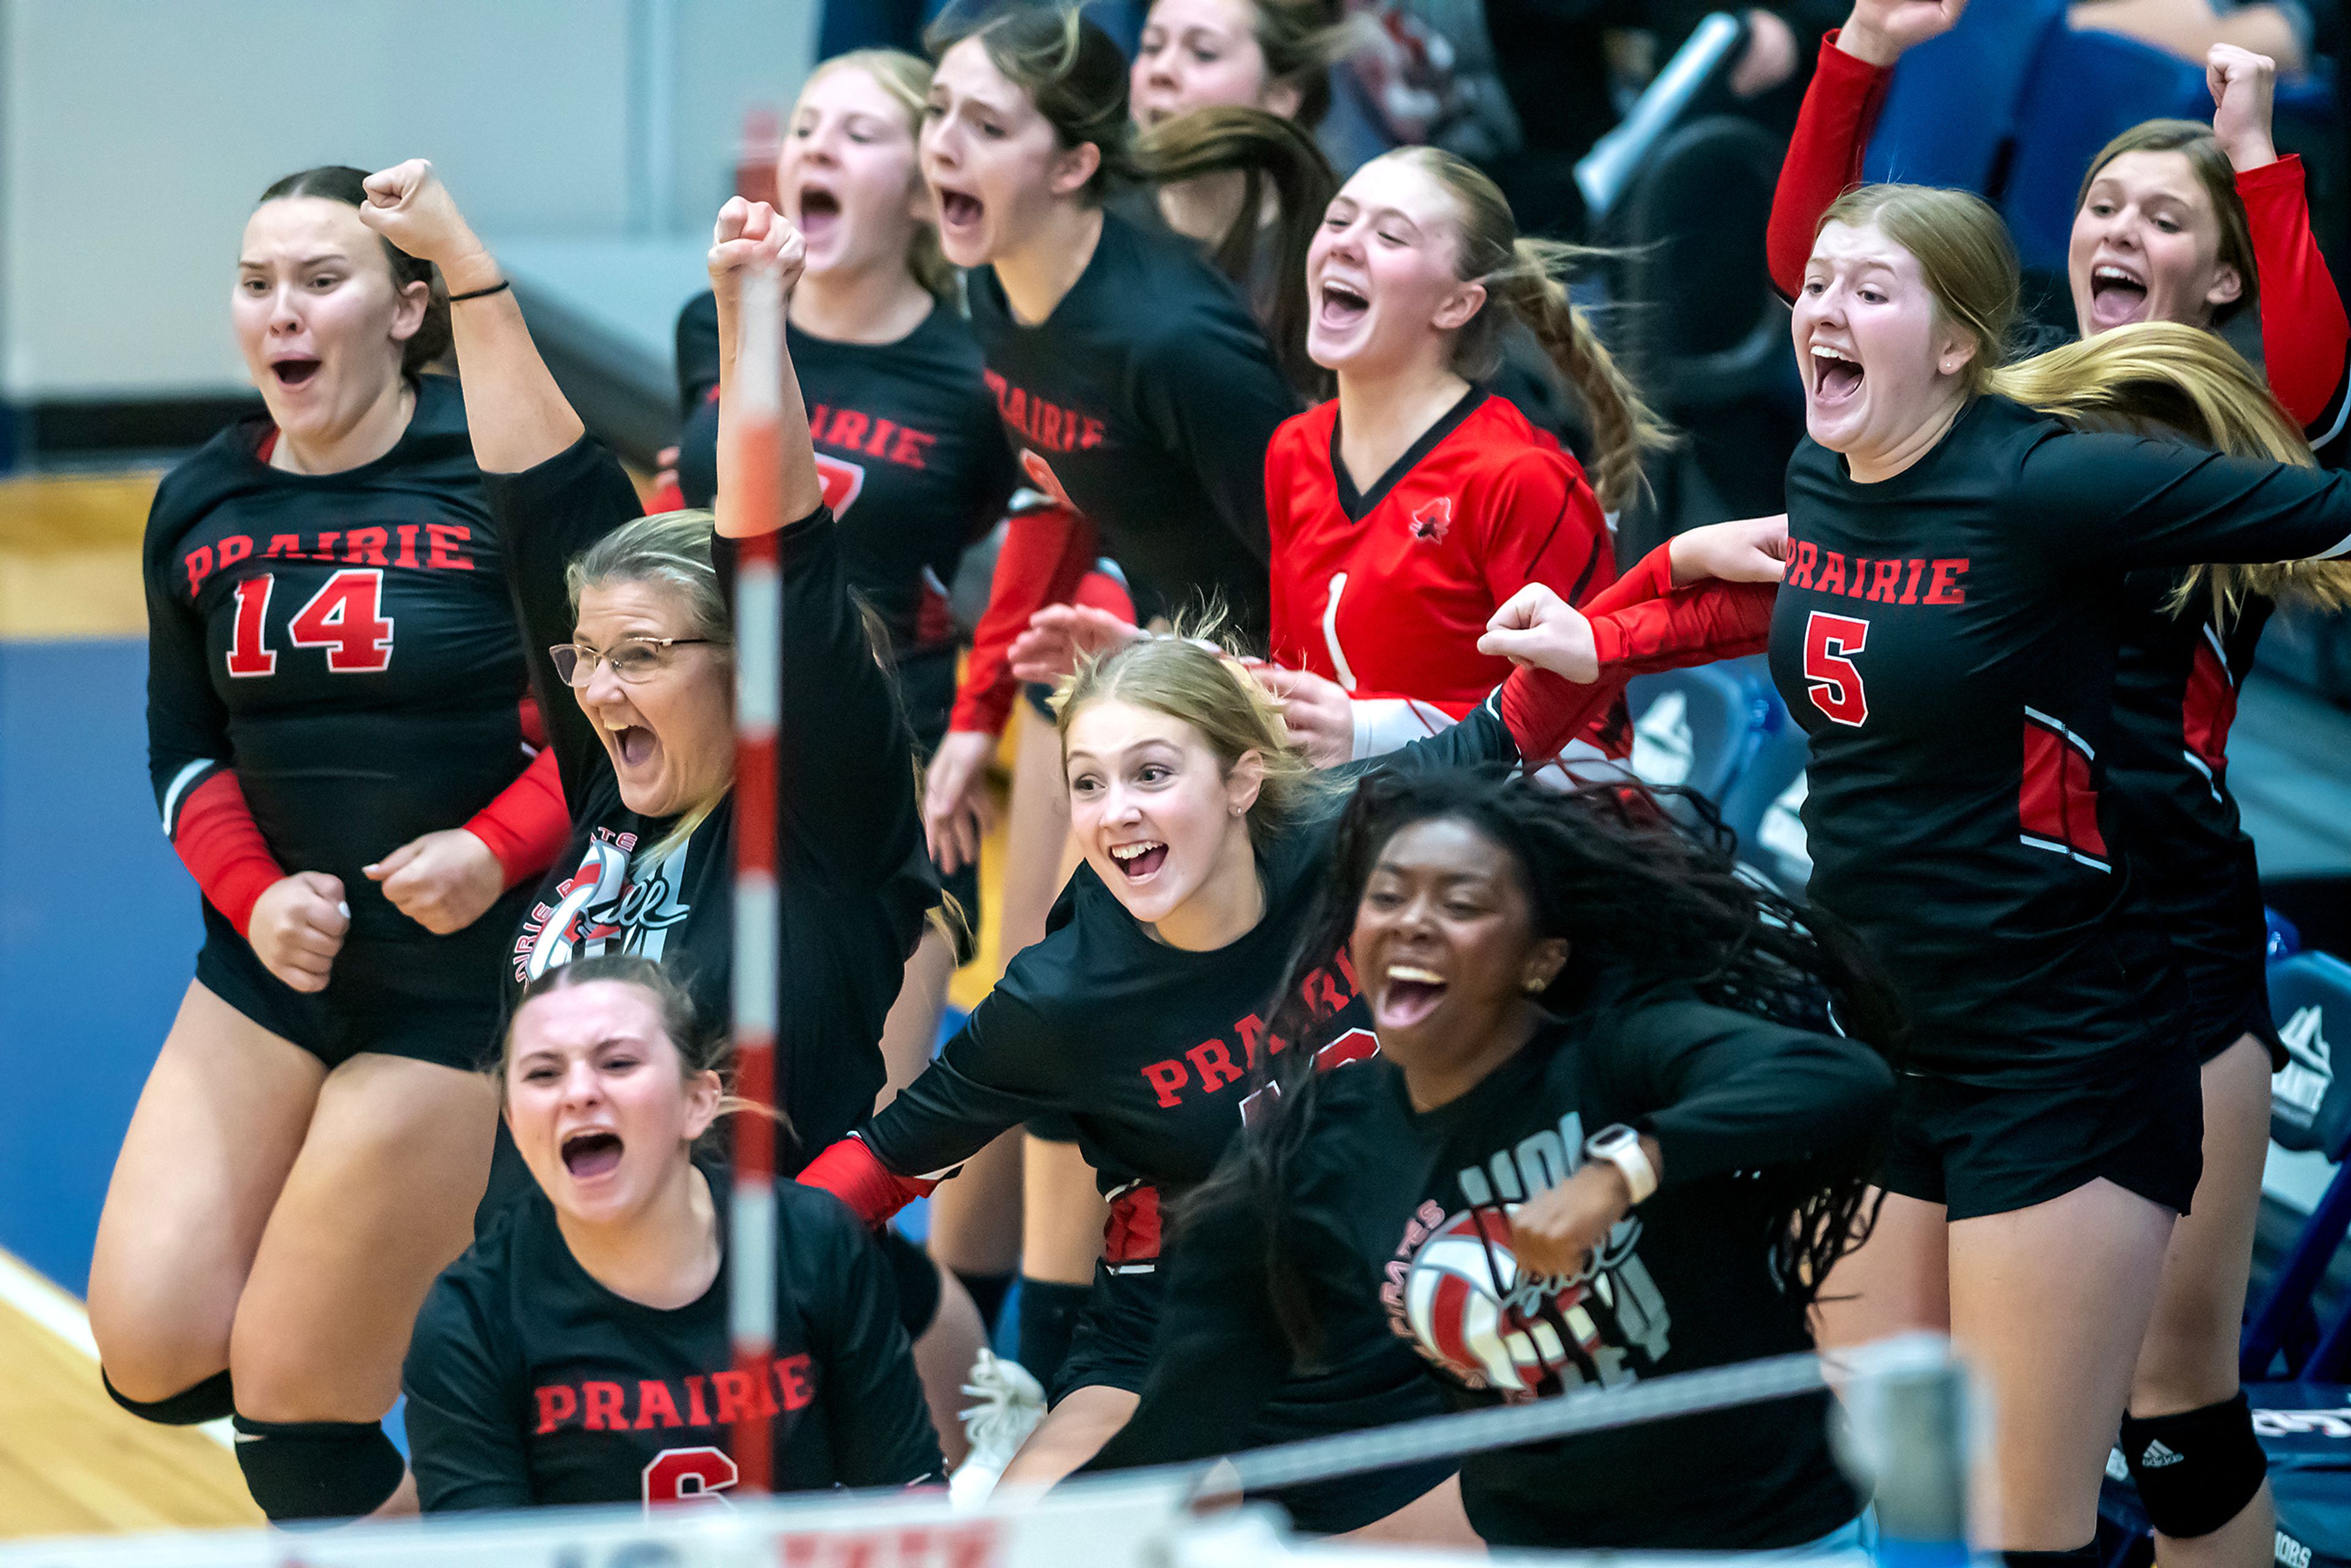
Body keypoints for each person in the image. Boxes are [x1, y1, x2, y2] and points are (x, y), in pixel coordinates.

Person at [1576, 182, 2351, 1567]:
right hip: (1873, 1045)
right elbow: (1806, 576)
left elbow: (2329, 506)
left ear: (1955, 344)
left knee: (2024, 1527)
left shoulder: (2046, 479)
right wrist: (1643, 593)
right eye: (1818, 282)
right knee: (1892, 1491)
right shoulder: (1832, 465)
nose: (1824, 307)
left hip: (2057, 1059)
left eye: (1870, 291)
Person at [1770, 19, 2351, 1562]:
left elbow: (2312, 389)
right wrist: (1855, 56)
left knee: (2168, 1416)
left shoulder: (2205, 430)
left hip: (2158, 960)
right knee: (1916, 1452)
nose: (2118, 229)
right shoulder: (1974, 418)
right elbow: (1812, 285)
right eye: (2103, 203)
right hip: (1956, 966)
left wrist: (2249, 148)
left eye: (2168, 220)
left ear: (2225, 276)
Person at [797, 615, 1750, 1532]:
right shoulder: (1058, 999)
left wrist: (1669, 569)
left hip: (1417, 1326)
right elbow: (880, 1167)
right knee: (1039, 1547)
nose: (1116, 810)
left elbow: (1521, 719)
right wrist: (717, 1272)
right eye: (1087, 784)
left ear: (1243, 778)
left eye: (1153, 773)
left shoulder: (1361, 834)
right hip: (1174, 1348)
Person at [353, 162, 986, 1457]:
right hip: (540, 1295)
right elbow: (545, 511)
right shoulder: (613, 794)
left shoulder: (813, 821)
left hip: (744, 1343)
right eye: (586, 657)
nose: (593, 685)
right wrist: (463, 265)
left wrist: (754, 321)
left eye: (637, 654)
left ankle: (943, 1355)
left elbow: (783, 569)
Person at [93, 165, 574, 1523]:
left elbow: (612, 736)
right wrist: (251, 899)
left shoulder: (496, 473)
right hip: (267, 974)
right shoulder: (199, 496)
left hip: (459, 988)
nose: (281, 312)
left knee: (297, 1398)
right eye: (258, 284)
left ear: (406, 304)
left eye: (321, 280)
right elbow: (183, 753)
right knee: (155, 1347)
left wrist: (491, 846)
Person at [1087, 767, 1899, 1550]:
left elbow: (1837, 1076)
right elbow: (1186, 1415)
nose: (1413, 921)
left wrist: (1624, 1172)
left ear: (1539, 958)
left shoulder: (1616, 1048)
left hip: (1765, 1537)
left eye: (1462, 902)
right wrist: (1025, 1538)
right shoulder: (1319, 1148)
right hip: (1540, 1546)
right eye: (1389, 896)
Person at [910, 4, 1334, 1388]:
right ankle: (1023, 1373)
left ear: (1075, 166)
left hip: (1267, 725)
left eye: (983, 124)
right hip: (1149, 678)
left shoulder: (1169, 341)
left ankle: (1084, 1375)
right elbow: (1063, 497)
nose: (942, 149)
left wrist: (1232, 711)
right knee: (1054, 1008)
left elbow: (1318, 555)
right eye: (938, 116)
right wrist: (1002, 696)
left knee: (1102, 1026)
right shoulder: (991, 293)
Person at [660, 50, 1051, 1338]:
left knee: (847, 1160)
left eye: (861, 132)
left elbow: (1055, 533)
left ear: (924, 176)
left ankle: (925, 1409)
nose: (818, 147)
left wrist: (985, 725)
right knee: (702, 1141)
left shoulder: (979, 371)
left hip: (888, 793)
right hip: (714, 785)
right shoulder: (707, 322)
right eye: (808, 124)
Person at [403, 956, 942, 1510]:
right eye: (544, 1073)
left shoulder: (814, 1243)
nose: (579, 1092)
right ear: (516, 1124)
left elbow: (909, 1506)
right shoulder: (470, 1320)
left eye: (617, 1062)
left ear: (698, 1102)